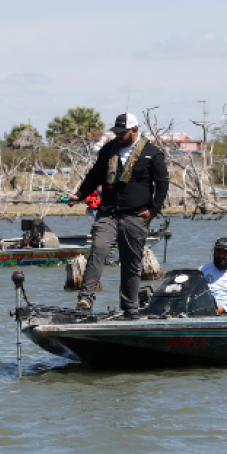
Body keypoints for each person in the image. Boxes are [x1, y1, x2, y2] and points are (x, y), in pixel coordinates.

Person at [66, 112, 169, 318]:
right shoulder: (108, 150)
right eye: (116, 132)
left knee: (131, 263)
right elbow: (94, 176)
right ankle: (85, 299)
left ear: (134, 131)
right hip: (108, 214)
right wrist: (79, 195)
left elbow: (163, 183)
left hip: (136, 216)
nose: (118, 136)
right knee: (98, 249)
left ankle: (130, 309)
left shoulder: (151, 153)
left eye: (122, 132)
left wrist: (153, 210)